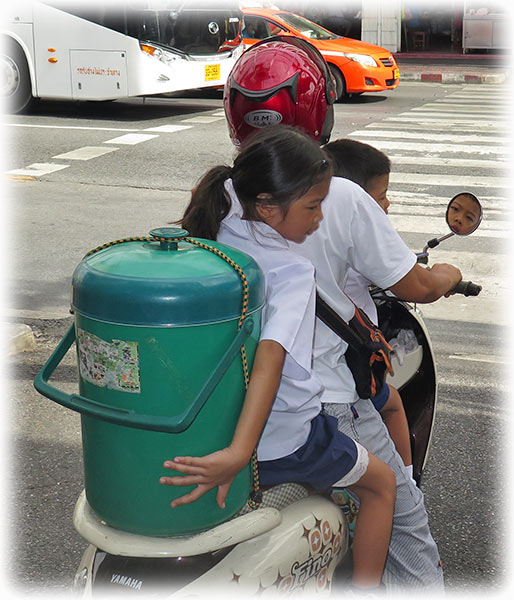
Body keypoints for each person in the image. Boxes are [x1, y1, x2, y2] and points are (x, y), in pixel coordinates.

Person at [222, 36, 463, 592]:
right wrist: (448, 277)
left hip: (242, 402)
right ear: (319, 111)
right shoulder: (341, 195)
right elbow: (415, 284)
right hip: (325, 399)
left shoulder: (222, 196)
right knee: (405, 516)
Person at [159, 126, 396, 591]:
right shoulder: (289, 270)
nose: (320, 218)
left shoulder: (219, 218)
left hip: (212, 422)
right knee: (382, 485)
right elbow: (272, 357)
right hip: (283, 440)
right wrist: (239, 454)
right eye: (312, 206)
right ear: (267, 206)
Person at [323, 138, 412, 474]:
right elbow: (411, 283)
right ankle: (408, 482)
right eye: (380, 198)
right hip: (343, 371)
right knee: (392, 404)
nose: (386, 204)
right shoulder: (351, 215)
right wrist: (444, 278)